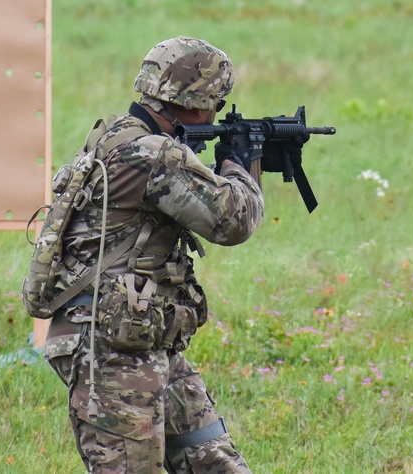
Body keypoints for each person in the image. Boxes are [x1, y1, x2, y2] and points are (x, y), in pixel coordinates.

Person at [43, 36, 264, 473]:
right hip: (108, 349)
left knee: (215, 463)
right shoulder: (150, 154)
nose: (215, 114)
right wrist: (241, 163)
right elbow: (234, 220)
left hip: (142, 338)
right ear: (198, 103)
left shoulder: (121, 136)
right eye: (216, 103)